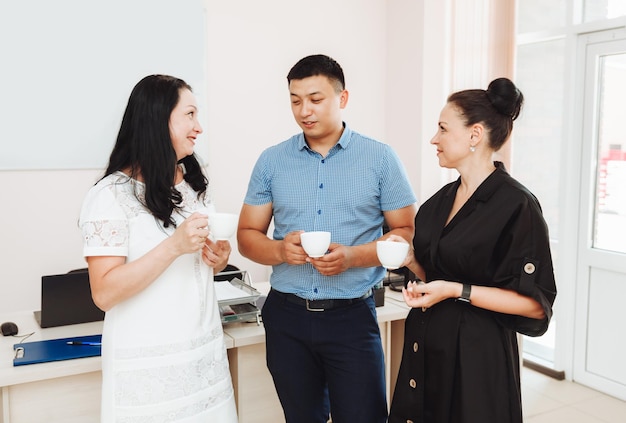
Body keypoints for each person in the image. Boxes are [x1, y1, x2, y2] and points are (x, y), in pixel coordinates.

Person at [237, 54, 417, 423]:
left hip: (351, 316)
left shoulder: (380, 158)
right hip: (286, 317)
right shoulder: (272, 161)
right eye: (295, 99)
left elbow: (406, 232)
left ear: (343, 98)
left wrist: (353, 257)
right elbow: (246, 235)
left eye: (316, 99)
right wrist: (279, 250)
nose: (304, 110)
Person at [388, 78, 557, 423]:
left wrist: (457, 291)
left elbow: (535, 305)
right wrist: (411, 260)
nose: (434, 139)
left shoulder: (517, 205)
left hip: (477, 358)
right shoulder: (438, 204)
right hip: (427, 346)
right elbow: (436, 275)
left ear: (474, 135)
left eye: (442, 128)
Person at [79, 74, 238, 422]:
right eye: (190, 115)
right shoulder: (109, 196)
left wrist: (217, 259)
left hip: (204, 356)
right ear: (157, 118)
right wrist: (174, 247)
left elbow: (198, 264)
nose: (199, 127)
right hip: (149, 366)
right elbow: (104, 293)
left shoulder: (194, 184)